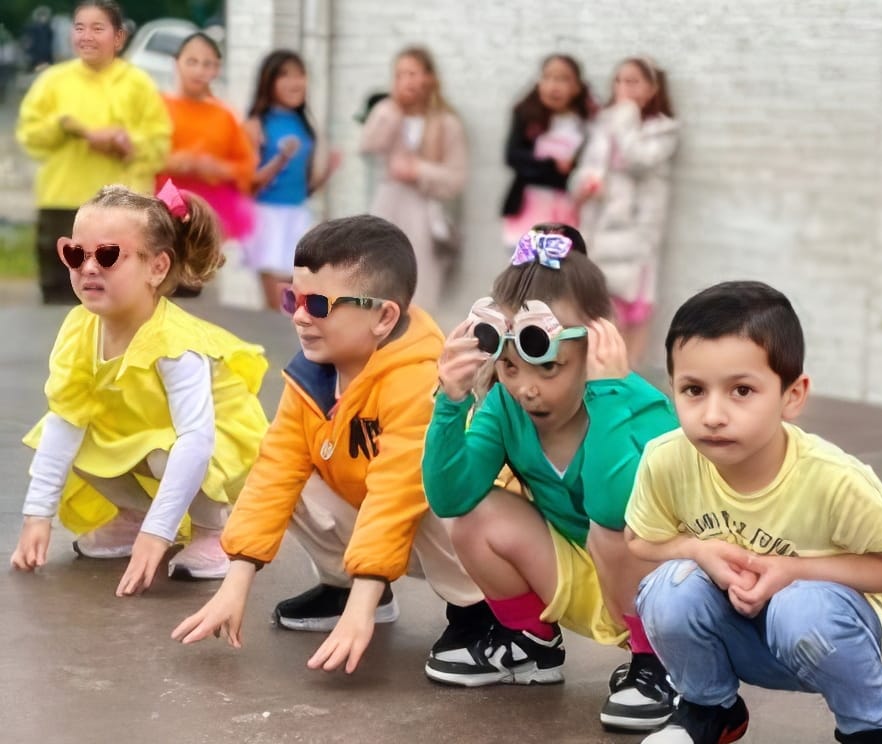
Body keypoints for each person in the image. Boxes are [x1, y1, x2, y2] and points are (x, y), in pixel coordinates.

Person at [171, 215, 492, 676]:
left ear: (384, 316)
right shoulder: (314, 370)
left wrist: (355, 618)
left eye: (318, 304)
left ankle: (479, 612)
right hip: (382, 526)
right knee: (290, 469)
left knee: (423, 485)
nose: (300, 316)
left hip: (461, 534)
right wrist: (235, 582)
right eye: (292, 299)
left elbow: (395, 494)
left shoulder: (418, 377)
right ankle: (350, 586)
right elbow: (276, 470)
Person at [625, 281, 882, 744]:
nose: (713, 414)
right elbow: (638, 539)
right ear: (672, 390)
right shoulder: (667, 458)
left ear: (793, 395)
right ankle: (709, 711)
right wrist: (696, 549)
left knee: (799, 607)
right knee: (670, 589)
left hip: (827, 637)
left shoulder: (834, 478)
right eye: (694, 390)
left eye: (741, 390)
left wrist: (793, 570)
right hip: (735, 629)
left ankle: (874, 727)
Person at [422, 224, 679, 731]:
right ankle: (531, 644)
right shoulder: (505, 406)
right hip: (583, 578)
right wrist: (450, 404)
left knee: (615, 525)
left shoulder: (644, 411)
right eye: (510, 368)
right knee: (476, 517)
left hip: (666, 597)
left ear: (598, 343)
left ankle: (660, 665)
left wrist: (606, 399)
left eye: (549, 368)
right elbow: (451, 497)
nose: (526, 389)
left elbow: (615, 511)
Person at [9, 182, 269, 596]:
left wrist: (159, 533)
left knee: (171, 453)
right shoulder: (80, 327)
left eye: (109, 255)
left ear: (157, 268)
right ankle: (134, 515)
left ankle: (211, 529)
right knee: (58, 431)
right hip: (148, 434)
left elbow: (197, 441)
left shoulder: (175, 344)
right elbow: (66, 418)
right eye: (75, 254)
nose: (88, 267)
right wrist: (37, 515)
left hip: (218, 444)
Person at [15, 0, 171, 305]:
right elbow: (29, 135)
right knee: (60, 301)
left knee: (122, 300)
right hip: (62, 205)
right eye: (79, 28)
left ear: (118, 37)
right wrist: (67, 126)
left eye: (97, 28)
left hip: (124, 212)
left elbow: (160, 143)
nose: (86, 36)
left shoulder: (138, 84)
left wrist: (126, 142)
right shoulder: (52, 81)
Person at [571, 57, 679, 369]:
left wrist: (626, 116)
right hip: (602, 230)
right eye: (619, 81)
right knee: (602, 306)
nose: (623, 89)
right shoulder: (604, 124)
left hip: (638, 233)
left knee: (635, 306)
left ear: (652, 87)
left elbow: (637, 159)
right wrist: (585, 185)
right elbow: (586, 168)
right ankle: (600, 375)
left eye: (633, 81)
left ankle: (628, 377)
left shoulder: (662, 131)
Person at [360, 46, 467, 314]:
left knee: (420, 289)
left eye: (412, 73)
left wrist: (419, 170)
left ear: (429, 78)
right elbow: (367, 146)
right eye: (399, 74)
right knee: (378, 280)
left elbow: (456, 178)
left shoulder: (446, 122)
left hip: (424, 213)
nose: (406, 80)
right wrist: (393, 109)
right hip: (387, 206)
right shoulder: (386, 111)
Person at [241, 49, 340, 310]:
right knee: (278, 305)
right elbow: (249, 185)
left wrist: (328, 172)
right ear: (269, 81)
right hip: (267, 216)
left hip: (297, 215)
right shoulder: (255, 125)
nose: (295, 82)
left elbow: (304, 188)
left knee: (297, 299)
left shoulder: (303, 123)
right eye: (285, 75)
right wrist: (279, 160)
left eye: (300, 75)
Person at [157, 32, 257, 244]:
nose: (199, 71)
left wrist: (217, 168)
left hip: (211, 209)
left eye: (207, 64)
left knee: (201, 271)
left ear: (216, 69)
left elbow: (246, 166)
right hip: (163, 203)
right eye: (191, 62)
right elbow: (140, 154)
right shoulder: (158, 107)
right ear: (176, 63)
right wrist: (175, 162)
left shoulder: (225, 115)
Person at [501, 55, 593, 250]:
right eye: (548, 77)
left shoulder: (584, 124)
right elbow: (513, 156)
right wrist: (551, 164)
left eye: (562, 79)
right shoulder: (526, 115)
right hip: (527, 207)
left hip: (565, 209)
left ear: (577, 86)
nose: (554, 86)